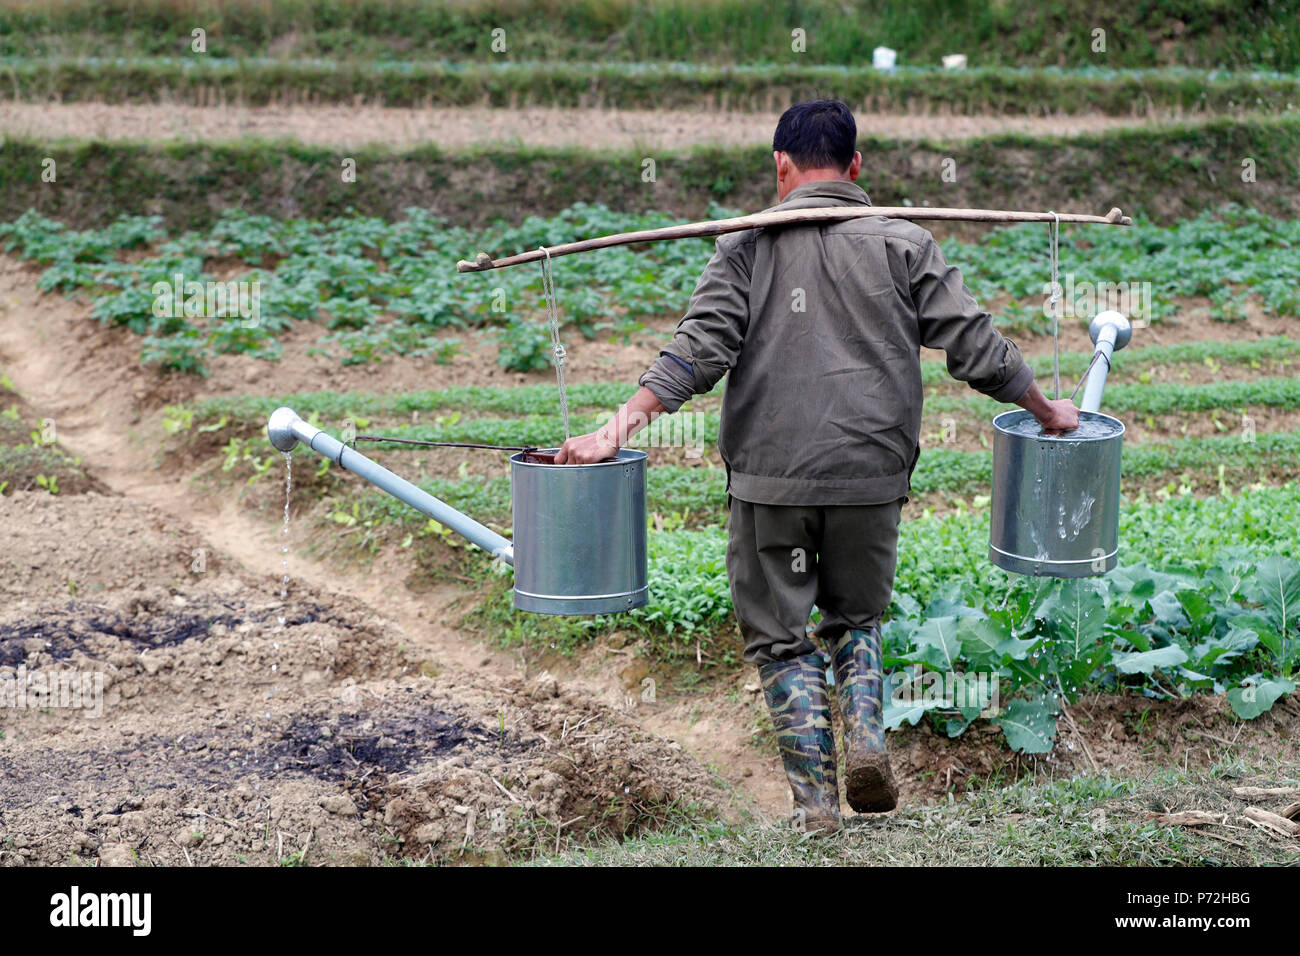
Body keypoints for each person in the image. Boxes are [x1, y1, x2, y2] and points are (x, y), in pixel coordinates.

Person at [555, 99, 1079, 834]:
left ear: (781, 169)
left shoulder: (745, 246)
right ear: (856, 166)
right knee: (856, 615)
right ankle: (865, 734)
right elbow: (974, 343)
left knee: (778, 636)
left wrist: (616, 428)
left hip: (773, 480)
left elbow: (697, 353)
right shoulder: (903, 244)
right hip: (871, 473)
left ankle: (815, 808)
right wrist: (1046, 408)